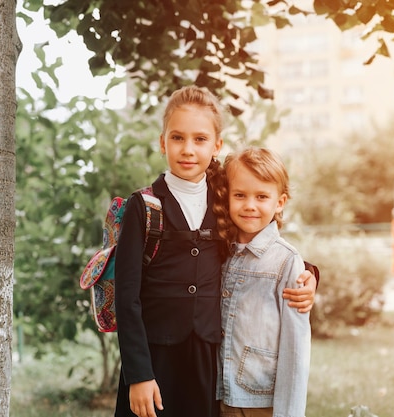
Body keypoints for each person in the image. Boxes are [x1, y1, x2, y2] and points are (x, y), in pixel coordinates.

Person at [113, 85, 316, 417]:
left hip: (206, 360)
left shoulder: (225, 196)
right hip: (154, 359)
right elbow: (126, 295)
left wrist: (309, 273)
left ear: (217, 145)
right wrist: (138, 374)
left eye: (200, 139)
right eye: (177, 138)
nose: (188, 149)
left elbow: (258, 246)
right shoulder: (145, 206)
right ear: (162, 142)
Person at [216, 147, 311, 417]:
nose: (250, 205)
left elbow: (296, 348)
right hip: (217, 394)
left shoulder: (286, 261)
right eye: (240, 195)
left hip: (260, 401)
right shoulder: (220, 251)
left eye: (261, 196)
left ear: (279, 203)